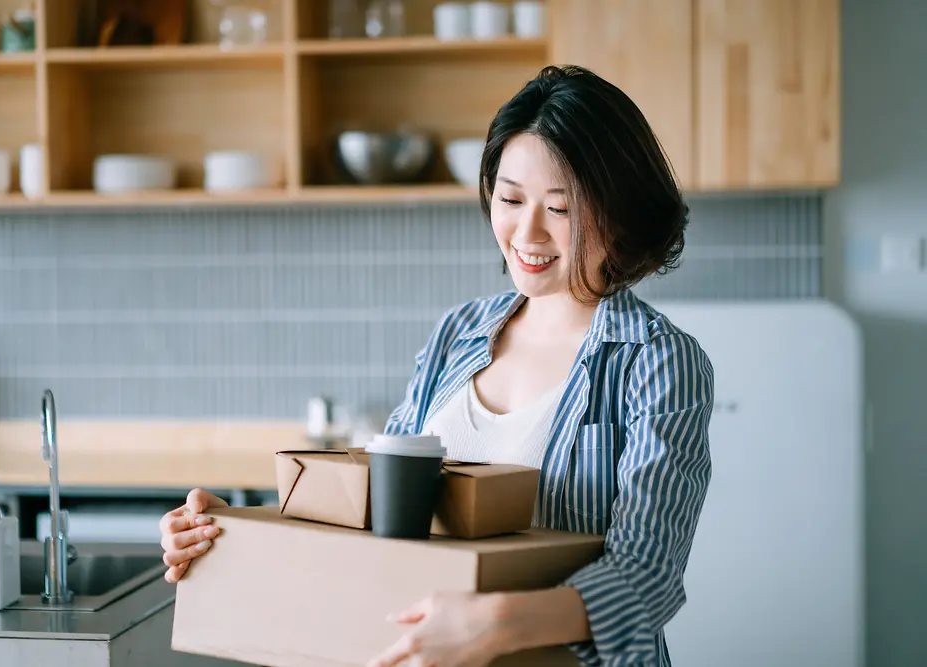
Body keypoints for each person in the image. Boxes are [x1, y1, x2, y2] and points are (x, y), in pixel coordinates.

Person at [160, 64, 714, 667]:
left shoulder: (658, 362)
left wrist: (497, 622)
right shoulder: (459, 333)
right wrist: (232, 532)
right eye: (509, 199)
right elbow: (372, 504)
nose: (526, 231)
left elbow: (646, 577)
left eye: (561, 208)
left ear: (619, 212)